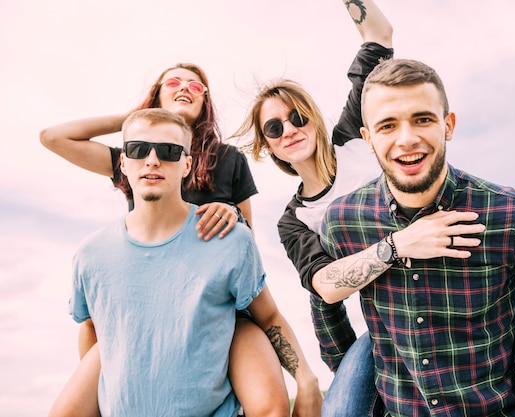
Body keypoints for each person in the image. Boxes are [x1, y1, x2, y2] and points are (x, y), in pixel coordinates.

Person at [234, 1, 483, 416]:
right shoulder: (295, 220)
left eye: (296, 117)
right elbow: (326, 287)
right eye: (274, 128)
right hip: (388, 318)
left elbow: (379, 36)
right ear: (267, 145)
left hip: (456, 282)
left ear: (311, 116)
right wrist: (399, 245)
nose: (290, 130)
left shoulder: (354, 137)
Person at [318, 57, 515, 416]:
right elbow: (324, 306)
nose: (407, 139)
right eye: (387, 125)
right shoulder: (345, 221)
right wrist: (357, 391)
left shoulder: (512, 214)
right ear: (368, 139)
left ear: (448, 125)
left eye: (422, 119)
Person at [40, 64, 321, 415]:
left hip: (215, 298)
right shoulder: (136, 160)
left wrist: (231, 216)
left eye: (196, 85)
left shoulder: (228, 160)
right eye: (173, 82)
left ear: (185, 163)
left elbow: (247, 256)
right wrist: (134, 117)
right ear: (125, 163)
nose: (153, 160)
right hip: (141, 289)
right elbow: (53, 137)